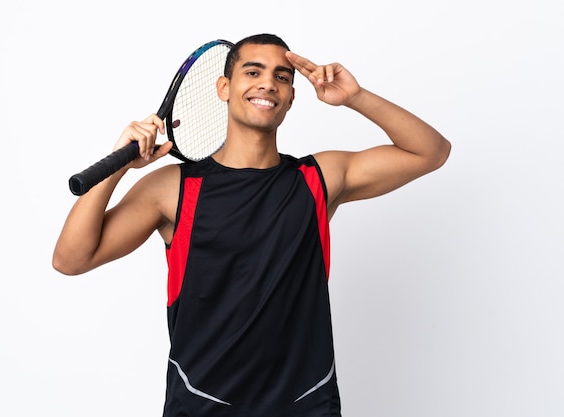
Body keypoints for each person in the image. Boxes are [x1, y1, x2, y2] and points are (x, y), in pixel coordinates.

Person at [53, 33, 451, 417]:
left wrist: (356, 98)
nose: (268, 84)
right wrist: (118, 165)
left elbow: (431, 152)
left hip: (305, 406)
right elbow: (71, 259)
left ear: (292, 96)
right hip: (199, 405)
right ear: (224, 87)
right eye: (253, 72)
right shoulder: (173, 187)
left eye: (282, 76)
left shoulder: (319, 178)